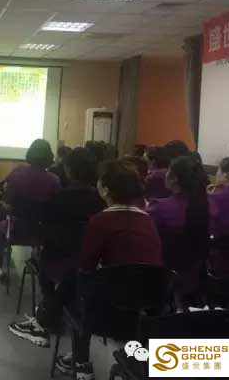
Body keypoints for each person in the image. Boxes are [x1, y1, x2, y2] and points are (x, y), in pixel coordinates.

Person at [55, 160, 162, 380]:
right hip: (142, 310)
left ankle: (81, 362)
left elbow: (86, 267)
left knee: (73, 286)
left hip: (105, 311)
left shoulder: (101, 221)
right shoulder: (148, 220)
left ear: (105, 189)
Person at [9, 148, 105, 347]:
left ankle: (46, 318)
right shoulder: (101, 201)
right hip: (93, 269)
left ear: (68, 170)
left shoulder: (59, 198)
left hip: (58, 262)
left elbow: (44, 230)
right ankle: (51, 316)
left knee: (45, 266)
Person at [0, 139, 60, 279]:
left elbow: (8, 205)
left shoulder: (18, 173)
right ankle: (37, 255)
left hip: (15, 230)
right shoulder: (54, 180)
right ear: (49, 156)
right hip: (41, 233)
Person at [148, 156, 209, 304]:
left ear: (175, 178)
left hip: (162, 277)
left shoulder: (159, 207)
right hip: (199, 276)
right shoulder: (209, 204)